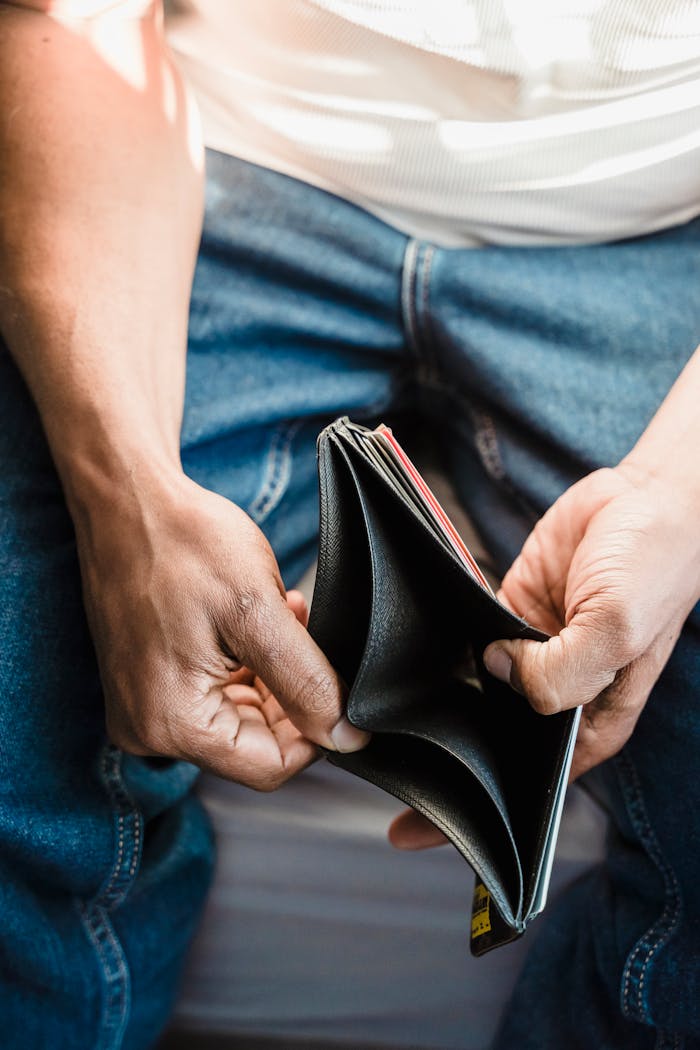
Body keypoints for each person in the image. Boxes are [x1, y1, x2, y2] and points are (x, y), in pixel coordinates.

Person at [1, 2, 698, 1048]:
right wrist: (125, 493)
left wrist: (680, 498)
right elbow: (70, 21)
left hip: (656, 219)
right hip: (214, 161)